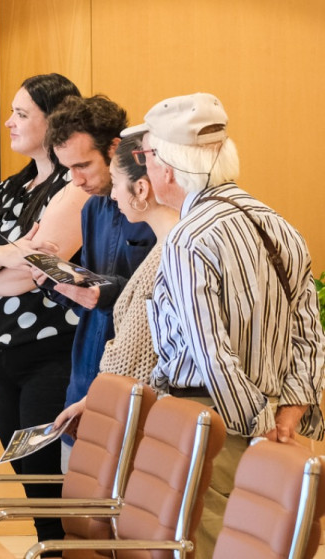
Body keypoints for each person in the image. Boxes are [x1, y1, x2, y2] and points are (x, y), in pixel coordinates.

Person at [137, 92, 325, 556]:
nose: (145, 168)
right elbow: (310, 330)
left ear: (167, 166)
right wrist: (291, 412)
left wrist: (258, 428)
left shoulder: (187, 237)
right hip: (279, 420)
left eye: (146, 156)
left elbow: (210, 348)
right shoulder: (277, 221)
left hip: (215, 422)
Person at [0, 73, 85, 539]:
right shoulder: (12, 187)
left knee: (49, 482)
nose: (8, 122)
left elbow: (38, 269)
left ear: (55, 121)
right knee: (28, 478)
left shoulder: (76, 183)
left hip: (51, 353)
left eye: (21, 114)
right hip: (0, 353)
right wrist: (4, 257)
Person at [43, 94, 155, 467]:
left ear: (115, 148)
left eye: (83, 166)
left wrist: (103, 292)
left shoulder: (156, 207)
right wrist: (57, 282)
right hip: (85, 377)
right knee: (76, 515)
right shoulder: (92, 207)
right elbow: (93, 285)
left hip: (135, 384)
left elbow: (158, 295)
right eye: (68, 169)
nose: (76, 180)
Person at [51, 132, 179, 430]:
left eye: (116, 182)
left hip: (134, 405)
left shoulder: (171, 254)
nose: (113, 195)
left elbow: (135, 354)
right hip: (97, 385)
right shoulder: (93, 209)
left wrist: (94, 398)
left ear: (142, 187)